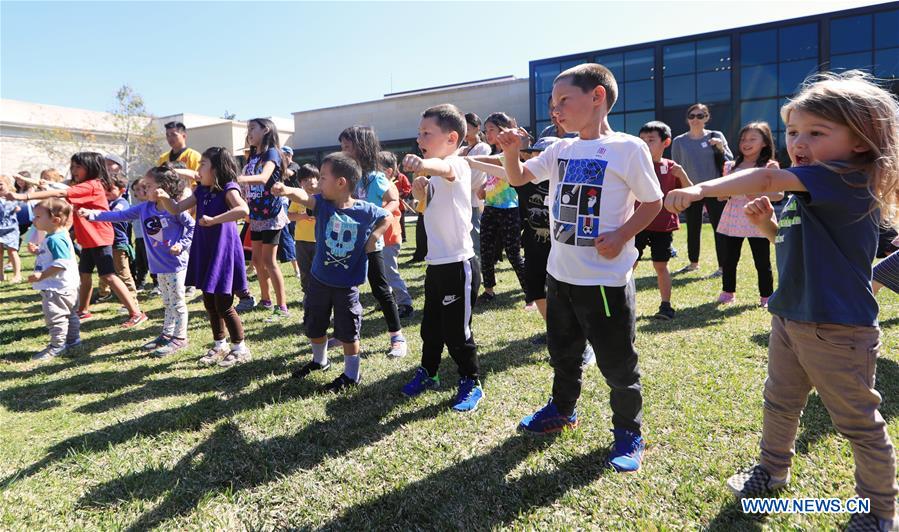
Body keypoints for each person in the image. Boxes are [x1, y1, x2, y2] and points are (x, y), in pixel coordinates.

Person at [665, 71, 899, 532]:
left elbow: (768, 175)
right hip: (790, 316)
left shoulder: (846, 179)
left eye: (817, 132)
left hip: (838, 327)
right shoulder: (810, 186)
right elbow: (795, 244)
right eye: (793, 131)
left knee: (857, 422)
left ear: (860, 140)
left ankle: (879, 511)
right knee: (779, 401)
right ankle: (772, 471)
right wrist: (769, 227)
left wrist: (700, 189)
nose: (799, 142)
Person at [499, 64, 663, 474]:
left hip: (605, 281)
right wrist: (510, 151)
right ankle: (562, 410)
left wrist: (622, 235)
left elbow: (653, 202)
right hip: (561, 277)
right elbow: (519, 178)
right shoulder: (560, 149)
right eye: (553, 103)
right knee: (563, 354)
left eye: (563, 100)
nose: (555, 110)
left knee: (618, 365)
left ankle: (628, 432)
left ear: (597, 97)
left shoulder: (628, 148)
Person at [272, 152, 390, 391]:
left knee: (348, 331)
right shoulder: (322, 205)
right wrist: (286, 190)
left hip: (347, 285)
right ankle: (320, 361)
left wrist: (374, 237)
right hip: (319, 281)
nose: (318, 183)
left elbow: (386, 216)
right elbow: (303, 197)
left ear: (341, 183)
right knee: (314, 324)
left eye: (323, 178)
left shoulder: (365, 210)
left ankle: (351, 375)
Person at [400, 103, 485, 413]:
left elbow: (445, 169)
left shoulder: (456, 164)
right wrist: (420, 193)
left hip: (459, 264)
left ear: (451, 138)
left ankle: (471, 381)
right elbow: (426, 209)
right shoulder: (434, 173)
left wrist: (423, 165)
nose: (419, 138)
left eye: (427, 133)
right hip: (436, 264)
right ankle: (429, 372)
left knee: (457, 331)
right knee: (431, 328)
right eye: (419, 132)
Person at [6, 152, 147, 327]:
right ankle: (83, 310)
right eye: (72, 166)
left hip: (99, 237)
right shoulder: (84, 185)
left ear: (91, 168)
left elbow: (61, 191)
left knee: (108, 276)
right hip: (88, 238)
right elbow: (56, 187)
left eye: (77, 167)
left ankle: (136, 313)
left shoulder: (92, 185)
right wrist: (33, 183)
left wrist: (23, 196)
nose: (73, 170)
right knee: (84, 275)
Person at [81, 165, 195, 357]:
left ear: (163, 188)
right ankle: (167, 334)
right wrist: (92, 215)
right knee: (168, 302)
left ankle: (180, 338)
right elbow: (119, 215)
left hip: (176, 265)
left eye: (148, 186)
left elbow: (192, 227)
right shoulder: (144, 208)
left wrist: (181, 245)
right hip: (159, 266)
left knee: (177, 303)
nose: (143, 190)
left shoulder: (174, 208)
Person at [156, 148, 253, 367]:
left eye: (203, 164)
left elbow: (243, 210)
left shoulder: (229, 188)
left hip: (223, 252)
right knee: (209, 302)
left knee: (224, 303)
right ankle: (220, 345)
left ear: (216, 169)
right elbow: (176, 209)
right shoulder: (201, 190)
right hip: (205, 250)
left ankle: (240, 349)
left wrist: (214, 220)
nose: (198, 169)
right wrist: (164, 198)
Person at [339, 126, 408, 358]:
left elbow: (394, 200)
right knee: (345, 290)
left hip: (371, 245)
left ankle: (397, 337)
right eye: (342, 146)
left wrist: (380, 222)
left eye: (347, 146)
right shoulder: (347, 175)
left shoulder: (376, 177)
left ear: (362, 147)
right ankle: (344, 334)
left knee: (380, 289)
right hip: (347, 243)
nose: (343, 150)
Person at [715, 122, 782, 307]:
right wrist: (723, 193)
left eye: (753, 139)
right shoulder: (730, 166)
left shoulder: (770, 166)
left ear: (765, 143)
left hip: (759, 215)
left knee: (762, 260)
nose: (746, 143)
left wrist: (759, 194)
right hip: (733, 216)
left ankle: (766, 296)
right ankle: (728, 292)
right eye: (743, 139)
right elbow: (721, 193)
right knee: (729, 259)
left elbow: (779, 194)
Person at [634, 121, 693, 320]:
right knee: (629, 265)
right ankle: (622, 302)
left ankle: (666, 306)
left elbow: (690, 192)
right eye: (642, 139)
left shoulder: (672, 167)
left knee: (661, 266)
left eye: (651, 140)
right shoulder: (635, 165)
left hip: (663, 226)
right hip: (637, 224)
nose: (645, 143)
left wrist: (682, 174)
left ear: (666, 142)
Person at [671, 103, 733, 276]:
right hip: (691, 190)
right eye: (692, 116)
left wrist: (720, 147)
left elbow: (730, 162)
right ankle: (693, 263)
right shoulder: (679, 141)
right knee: (692, 227)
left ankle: (722, 267)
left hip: (714, 189)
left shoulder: (716, 136)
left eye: (700, 116)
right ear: (687, 119)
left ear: (706, 118)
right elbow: (676, 168)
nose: (695, 119)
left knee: (719, 228)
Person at [237, 118, 289, 322]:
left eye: (252, 128)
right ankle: (266, 300)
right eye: (248, 129)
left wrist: (237, 178)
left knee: (269, 261)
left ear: (266, 129)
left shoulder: (272, 153)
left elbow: (264, 177)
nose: (248, 133)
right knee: (257, 261)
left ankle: (282, 307)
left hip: (271, 214)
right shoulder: (252, 156)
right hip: (256, 215)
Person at [480, 112, 528, 302]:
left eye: (491, 129)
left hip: (510, 209)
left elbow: (498, 165)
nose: (487, 134)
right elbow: (494, 177)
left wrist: (467, 160)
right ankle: (489, 291)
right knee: (486, 251)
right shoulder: (492, 155)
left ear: (503, 130)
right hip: (490, 208)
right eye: (486, 130)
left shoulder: (510, 153)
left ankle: (531, 293)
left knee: (513, 254)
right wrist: (484, 187)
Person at [28, 198, 81, 360]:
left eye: (38, 217)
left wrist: (41, 275)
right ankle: (73, 341)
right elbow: (53, 255)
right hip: (68, 286)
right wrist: (38, 251)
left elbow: (61, 263)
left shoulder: (55, 239)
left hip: (57, 288)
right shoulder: (57, 235)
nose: (34, 220)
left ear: (55, 220)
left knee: (56, 317)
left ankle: (57, 346)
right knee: (70, 315)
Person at [377, 151, 414, 318]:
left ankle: (405, 303)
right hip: (382, 238)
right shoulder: (379, 185)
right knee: (383, 273)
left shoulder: (388, 187)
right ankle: (388, 299)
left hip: (389, 238)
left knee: (390, 272)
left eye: (375, 169)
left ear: (388, 171)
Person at [95, 175, 138, 306]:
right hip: (106, 242)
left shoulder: (121, 203)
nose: (106, 191)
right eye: (105, 188)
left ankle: (132, 300)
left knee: (123, 273)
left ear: (122, 190)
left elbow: (113, 216)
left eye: (110, 189)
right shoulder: (107, 202)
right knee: (105, 270)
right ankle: (104, 293)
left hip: (118, 243)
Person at [461, 112, 491, 257]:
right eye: (463, 129)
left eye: (468, 128)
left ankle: (480, 263)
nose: (465, 133)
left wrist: (458, 183)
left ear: (477, 127)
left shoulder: (483, 148)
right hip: (464, 198)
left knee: (475, 233)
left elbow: (477, 177)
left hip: (475, 199)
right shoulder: (462, 150)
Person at [287, 164, 320, 296]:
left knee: (319, 269)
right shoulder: (299, 197)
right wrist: (303, 216)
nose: (309, 182)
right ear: (300, 183)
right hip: (301, 240)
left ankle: (321, 294)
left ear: (318, 179)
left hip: (319, 240)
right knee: (305, 269)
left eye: (312, 177)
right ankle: (307, 293)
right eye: (305, 180)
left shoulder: (323, 197)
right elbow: (289, 215)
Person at [277, 146, 300, 277]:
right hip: (287, 204)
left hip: (296, 204)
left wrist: (274, 167)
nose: (279, 157)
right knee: (288, 233)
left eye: (282, 154)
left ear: (288, 155)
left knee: (289, 235)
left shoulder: (294, 166)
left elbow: (288, 173)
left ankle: (297, 268)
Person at [0, 175, 22, 283]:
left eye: (1, 184)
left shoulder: (13, 196)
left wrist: (17, 208)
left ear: (8, 185)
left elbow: (19, 205)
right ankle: (1, 275)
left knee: (12, 251)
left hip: (11, 228)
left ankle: (17, 275)